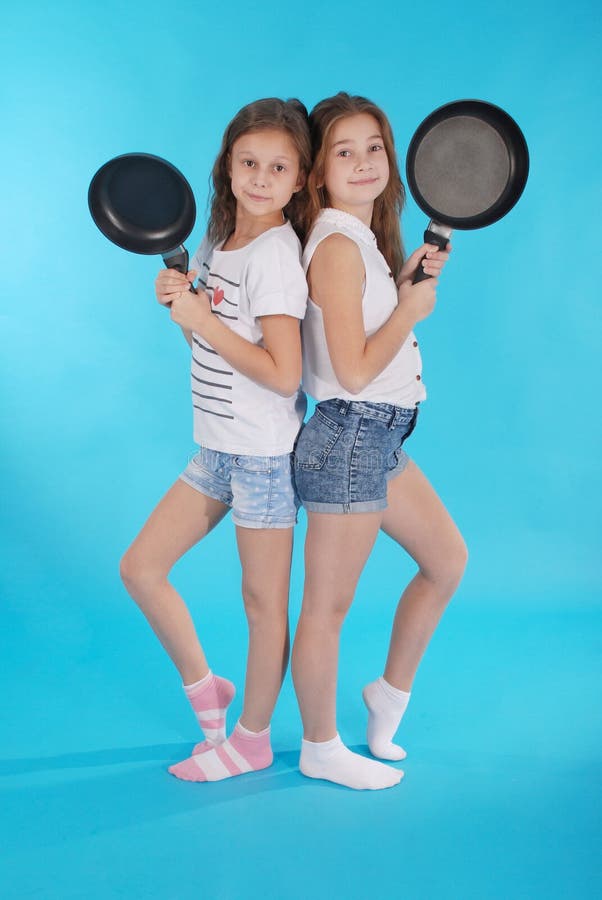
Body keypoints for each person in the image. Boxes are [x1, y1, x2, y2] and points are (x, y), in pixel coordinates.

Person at [120, 98, 311, 782]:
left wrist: (203, 317)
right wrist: (180, 303)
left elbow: (283, 373)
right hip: (216, 449)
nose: (260, 177)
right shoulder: (217, 241)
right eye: (248, 162)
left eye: (278, 167)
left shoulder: (276, 259)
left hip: (263, 458)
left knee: (263, 606)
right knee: (140, 568)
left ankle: (253, 740)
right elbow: (204, 336)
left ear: (299, 182)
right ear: (227, 167)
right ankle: (209, 690)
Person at [291, 92, 467, 790]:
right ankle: (319, 745)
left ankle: (386, 698)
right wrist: (414, 310)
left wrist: (400, 288)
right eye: (344, 151)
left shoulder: (360, 240)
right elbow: (356, 369)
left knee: (447, 561)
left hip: (380, 440)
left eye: (374, 147)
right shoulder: (335, 247)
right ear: (318, 174)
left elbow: (362, 337)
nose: (364, 162)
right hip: (348, 440)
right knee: (326, 610)